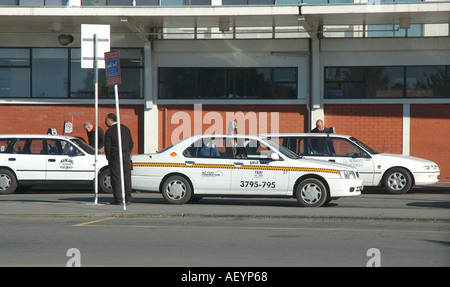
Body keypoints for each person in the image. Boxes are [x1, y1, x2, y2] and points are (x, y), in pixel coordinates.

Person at [104, 113, 134, 205]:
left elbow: (107, 147)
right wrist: (127, 152)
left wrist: (109, 158)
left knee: (116, 178)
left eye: (106, 119)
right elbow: (131, 143)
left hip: (115, 156)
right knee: (126, 177)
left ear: (111, 119)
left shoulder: (110, 131)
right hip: (125, 155)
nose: (105, 122)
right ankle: (128, 198)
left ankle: (118, 199)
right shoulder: (125, 128)